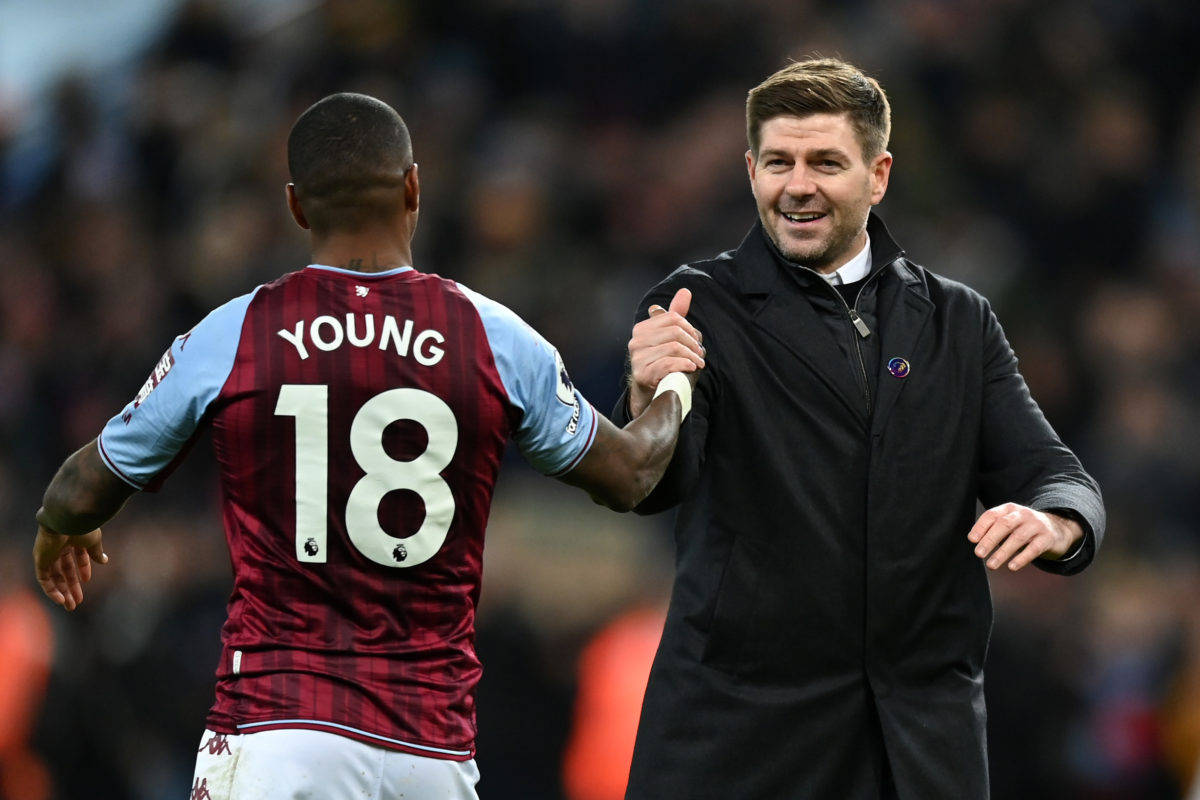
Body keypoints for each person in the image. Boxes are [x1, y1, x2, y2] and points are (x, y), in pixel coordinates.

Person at [31, 93, 705, 800]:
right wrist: (673, 386)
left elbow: (79, 487)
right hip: (430, 753)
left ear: (296, 206)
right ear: (414, 187)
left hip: (275, 734)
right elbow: (630, 475)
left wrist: (58, 529)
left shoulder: (234, 335)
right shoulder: (494, 338)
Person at [613, 58, 1105, 799]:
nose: (797, 185)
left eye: (825, 163)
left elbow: (1053, 471)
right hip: (741, 745)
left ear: (878, 175)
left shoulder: (958, 321)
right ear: (750, 171)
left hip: (917, 747)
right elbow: (657, 479)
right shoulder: (698, 306)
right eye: (778, 162)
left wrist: (1057, 521)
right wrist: (646, 390)